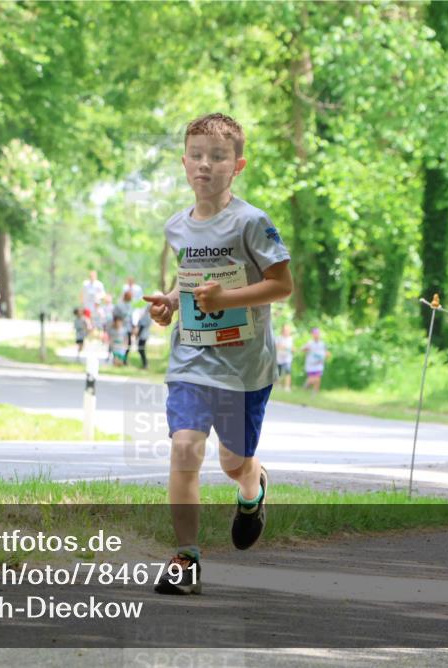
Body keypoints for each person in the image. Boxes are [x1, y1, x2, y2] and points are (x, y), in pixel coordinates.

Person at [143, 113, 292, 595]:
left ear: (238, 165)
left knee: (232, 462)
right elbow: (188, 286)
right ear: (185, 164)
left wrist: (225, 300)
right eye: (198, 156)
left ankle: (253, 487)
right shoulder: (175, 227)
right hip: (191, 360)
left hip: (244, 367)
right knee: (185, 448)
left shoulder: (252, 222)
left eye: (218, 156)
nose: (206, 165)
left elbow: (282, 285)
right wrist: (171, 304)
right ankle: (185, 558)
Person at [302, 328, 329, 393]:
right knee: (311, 379)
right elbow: (303, 349)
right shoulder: (309, 343)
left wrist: (327, 355)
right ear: (312, 335)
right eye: (314, 334)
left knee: (318, 378)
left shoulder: (322, 343)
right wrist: (306, 348)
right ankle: (306, 386)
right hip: (310, 364)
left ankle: (315, 392)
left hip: (319, 364)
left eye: (317, 334)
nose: (316, 335)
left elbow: (326, 352)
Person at [113, 291, 134, 363]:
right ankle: (116, 359)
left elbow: (131, 318)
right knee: (118, 343)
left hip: (128, 328)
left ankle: (124, 359)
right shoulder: (119, 305)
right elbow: (115, 316)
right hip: (120, 327)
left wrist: (133, 327)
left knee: (128, 344)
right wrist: (116, 325)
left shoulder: (130, 306)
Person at [275, 324, 294, 392]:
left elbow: (292, 348)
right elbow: (276, 346)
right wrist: (282, 347)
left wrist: (291, 349)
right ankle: (277, 384)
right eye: (285, 330)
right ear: (282, 331)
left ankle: (287, 386)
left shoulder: (290, 338)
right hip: (279, 358)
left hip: (287, 358)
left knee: (288, 371)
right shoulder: (279, 338)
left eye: (287, 330)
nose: (286, 332)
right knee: (279, 373)